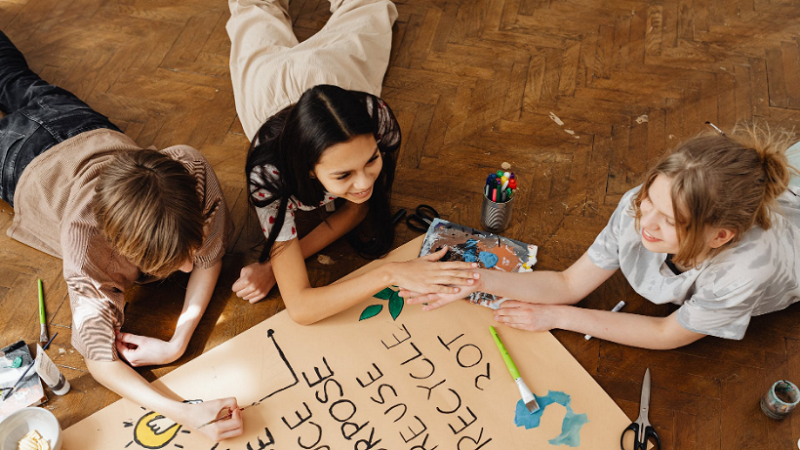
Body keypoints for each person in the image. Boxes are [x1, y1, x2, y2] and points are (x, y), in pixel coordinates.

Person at [0, 30, 243, 441]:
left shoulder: (188, 167)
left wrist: (178, 341)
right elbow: (99, 360)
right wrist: (181, 412)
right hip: (21, 161)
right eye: (172, 262)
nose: (191, 264)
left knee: (15, 80)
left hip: (78, 125)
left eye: (191, 245)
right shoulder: (85, 248)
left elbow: (209, 256)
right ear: (122, 249)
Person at [404, 124, 800, 350]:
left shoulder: (744, 272)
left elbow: (667, 333)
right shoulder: (639, 206)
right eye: (650, 199)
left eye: (670, 221)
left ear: (719, 237)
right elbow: (568, 282)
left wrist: (558, 317)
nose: (646, 221)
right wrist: (473, 280)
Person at [226, 0, 480, 322]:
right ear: (308, 170)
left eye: (372, 160)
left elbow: (358, 208)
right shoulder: (270, 178)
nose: (364, 183)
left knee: (371, 5)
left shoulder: (369, 118)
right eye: (344, 174)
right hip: (269, 87)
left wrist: (277, 266)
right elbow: (302, 309)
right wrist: (390, 273)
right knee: (253, 10)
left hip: (333, 71)